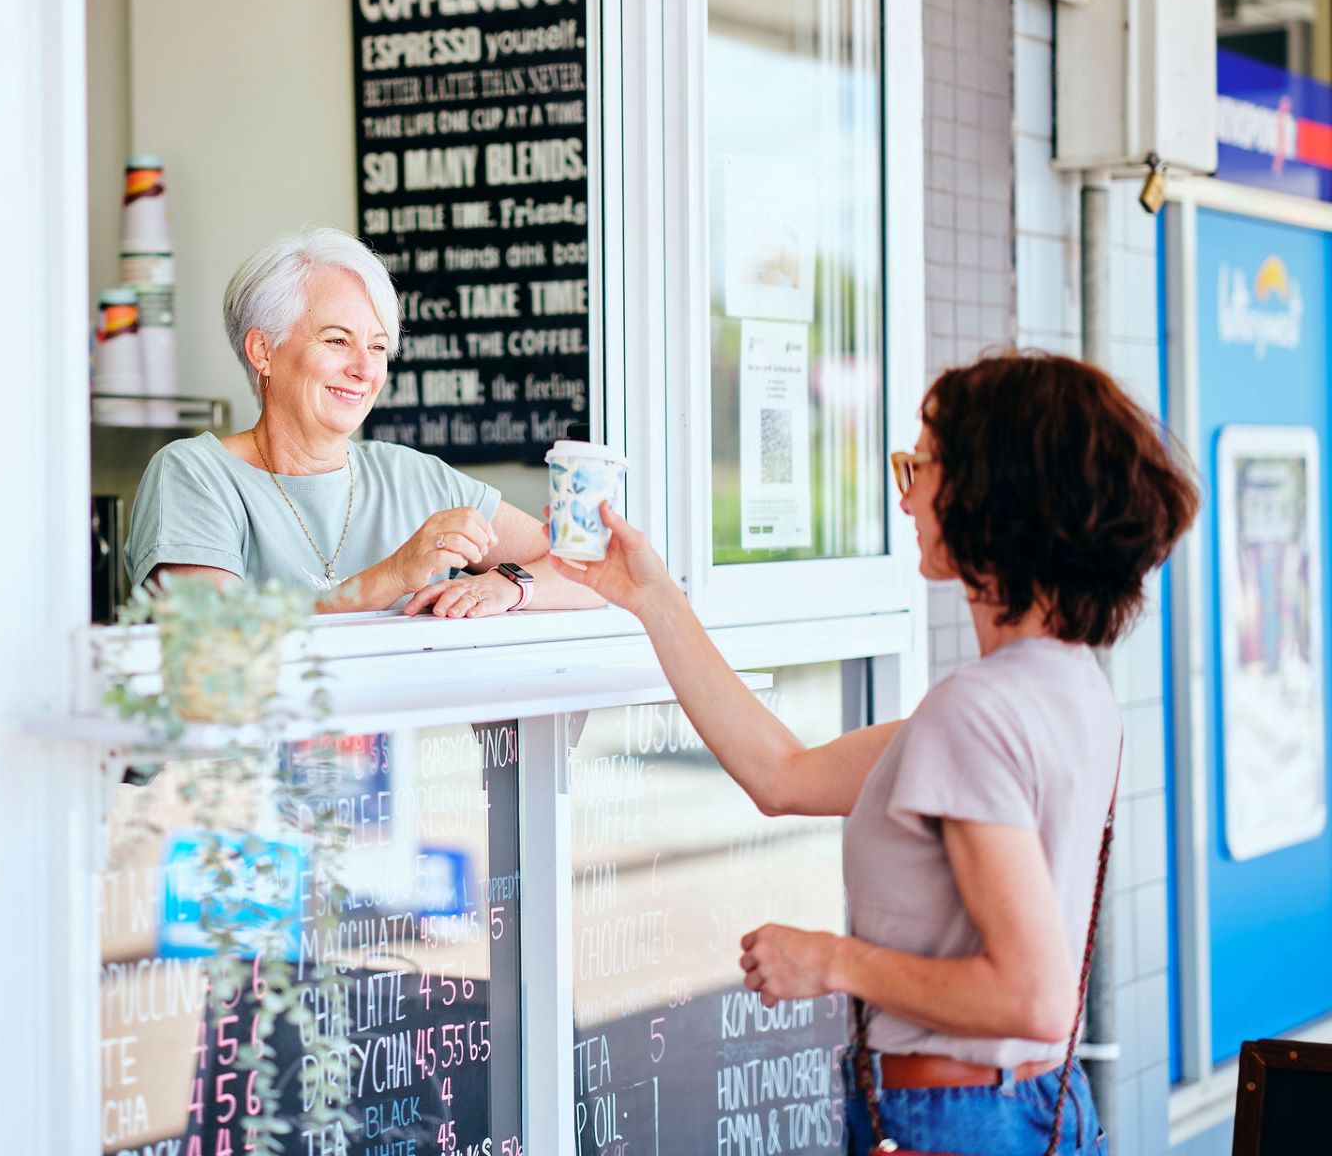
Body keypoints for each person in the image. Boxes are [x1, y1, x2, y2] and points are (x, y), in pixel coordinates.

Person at [557, 352, 1197, 1155]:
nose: (906, 491)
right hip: (1042, 1105)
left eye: (922, 462)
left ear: (991, 493)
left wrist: (829, 960)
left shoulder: (978, 712)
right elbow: (781, 775)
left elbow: (1032, 996)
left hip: (956, 1124)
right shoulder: (1070, 688)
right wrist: (652, 596)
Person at [127, 226, 600, 618]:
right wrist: (391, 577)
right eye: (337, 341)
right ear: (263, 351)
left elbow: (594, 569)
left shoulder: (415, 478)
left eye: (377, 347)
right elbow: (216, 639)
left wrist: (509, 586)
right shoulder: (194, 474)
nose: (365, 369)